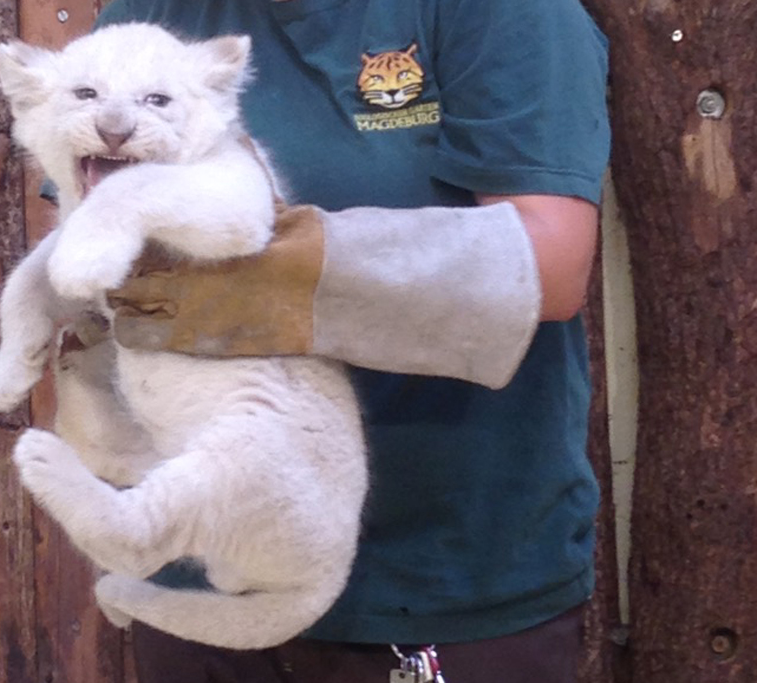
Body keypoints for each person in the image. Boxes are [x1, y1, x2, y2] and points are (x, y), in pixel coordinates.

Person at [59, 0, 610, 681]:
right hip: (204, 563)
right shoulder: (148, 15)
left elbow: (551, 266)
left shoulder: (503, 13)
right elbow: (103, 260)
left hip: (436, 568)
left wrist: (292, 276)